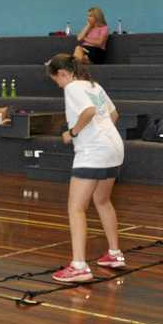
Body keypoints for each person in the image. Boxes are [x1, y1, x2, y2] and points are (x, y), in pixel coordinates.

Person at [46, 53, 124, 283]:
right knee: (102, 201)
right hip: (113, 147)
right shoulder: (94, 86)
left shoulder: (73, 88)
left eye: (56, 80)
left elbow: (88, 112)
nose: (58, 85)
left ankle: (79, 265)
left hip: (93, 151)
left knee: (76, 207)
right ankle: (114, 254)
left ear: (63, 73)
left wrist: (73, 133)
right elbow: (114, 114)